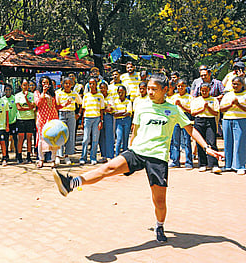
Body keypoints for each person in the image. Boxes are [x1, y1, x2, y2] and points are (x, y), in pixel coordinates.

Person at [53, 73, 224, 242]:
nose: (150, 92)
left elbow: (190, 129)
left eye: (154, 89)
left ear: (165, 90)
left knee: (159, 201)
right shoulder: (141, 106)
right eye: (148, 88)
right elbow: (136, 130)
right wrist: (130, 147)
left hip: (157, 158)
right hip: (137, 151)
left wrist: (207, 147)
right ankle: (71, 183)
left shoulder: (173, 110)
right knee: (107, 168)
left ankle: (159, 225)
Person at [35, 76, 65, 168]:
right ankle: (41, 159)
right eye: (43, 83)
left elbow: (55, 106)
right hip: (42, 120)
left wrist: (64, 105)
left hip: (53, 118)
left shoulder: (53, 93)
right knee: (41, 140)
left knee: (54, 139)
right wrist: (43, 93)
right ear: (41, 84)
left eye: (47, 82)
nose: (45, 84)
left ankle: (53, 159)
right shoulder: (37, 92)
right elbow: (37, 103)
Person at [191, 83, 221, 173]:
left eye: (206, 90)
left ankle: (214, 164)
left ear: (209, 90)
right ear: (200, 90)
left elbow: (216, 113)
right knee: (200, 143)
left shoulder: (213, 100)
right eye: (202, 90)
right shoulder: (196, 100)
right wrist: (203, 109)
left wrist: (208, 108)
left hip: (210, 121)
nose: (204, 92)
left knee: (211, 142)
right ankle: (202, 164)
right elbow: (193, 113)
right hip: (199, 121)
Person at [219, 76, 246, 175]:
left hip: (241, 120)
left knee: (240, 143)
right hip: (227, 120)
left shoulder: (244, 95)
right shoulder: (228, 95)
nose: (235, 86)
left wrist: (238, 104)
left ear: (242, 85)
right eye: (233, 84)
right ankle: (228, 165)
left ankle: (240, 165)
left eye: (237, 84)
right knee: (228, 142)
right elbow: (221, 109)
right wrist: (230, 105)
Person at [55, 77, 82, 165]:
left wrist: (78, 114)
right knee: (60, 134)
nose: (67, 85)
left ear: (72, 84)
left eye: (69, 83)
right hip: (61, 114)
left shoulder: (74, 93)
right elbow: (56, 105)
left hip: (71, 114)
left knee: (70, 135)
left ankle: (67, 156)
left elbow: (81, 103)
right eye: (66, 83)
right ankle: (58, 156)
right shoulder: (58, 93)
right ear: (63, 84)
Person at [169, 79, 193, 169]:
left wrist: (181, 106)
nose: (180, 88)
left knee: (187, 140)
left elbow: (191, 111)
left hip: (186, 117)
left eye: (182, 86)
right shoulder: (174, 97)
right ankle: (175, 161)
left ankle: (189, 162)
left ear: (186, 86)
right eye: (178, 86)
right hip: (175, 119)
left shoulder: (189, 97)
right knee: (175, 141)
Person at [79, 78, 104, 165]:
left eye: (93, 84)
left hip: (96, 119)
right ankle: (83, 157)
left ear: (96, 84)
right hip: (87, 119)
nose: (92, 85)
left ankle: (93, 157)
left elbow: (101, 110)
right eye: (90, 84)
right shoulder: (86, 96)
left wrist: (101, 121)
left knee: (95, 139)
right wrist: (82, 122)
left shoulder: (100, 96)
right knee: (85, 139)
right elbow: (83, 109)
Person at [15, 79, 35, 163]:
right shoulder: (17, 95)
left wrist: (26, 98)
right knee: (21, 138)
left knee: (29, 138)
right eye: (24, 85)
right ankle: (19, 156)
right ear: (21, 86)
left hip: (30, 119)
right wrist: (29, 107)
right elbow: (19, 108)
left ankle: (28, 156)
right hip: (21, 119)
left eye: (27, 85)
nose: (26, 87)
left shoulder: (32, 95)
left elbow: (33, 106)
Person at [113, 85, 132, 157]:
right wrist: (123, 112)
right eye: (119, 92)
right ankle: (117, 155)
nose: (121, 94)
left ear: (125, 92)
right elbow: (114, 114)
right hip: (118, 122)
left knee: (125, 138)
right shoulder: (115, 101)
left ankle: (125, 156)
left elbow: (129, 113)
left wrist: (120, 113)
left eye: (122, 92)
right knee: (119, 138)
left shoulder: (128, 102)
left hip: (126, 121)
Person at [98, 82, 115, 161]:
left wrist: (104, 108)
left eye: (104, 88)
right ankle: (104, 156)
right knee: (101, 137)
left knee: (109, 136)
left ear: (107, 88)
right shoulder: (98, 97)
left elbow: (110, 108)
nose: (102, 90)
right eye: (101, 88)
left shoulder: (110, 97)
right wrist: (105, 108)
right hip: (99, 117)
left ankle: (110, 155)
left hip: (108, 117)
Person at [2, 84, 19, 162]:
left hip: (14, 122)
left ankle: (18, 154)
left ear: (11, 90)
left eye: (9, 89)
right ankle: (5, 155)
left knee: (15, 139)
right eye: (6, 90)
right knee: (5, 140)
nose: (8, 91)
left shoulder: (15, 98)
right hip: (5, 123)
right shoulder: (2, 99)